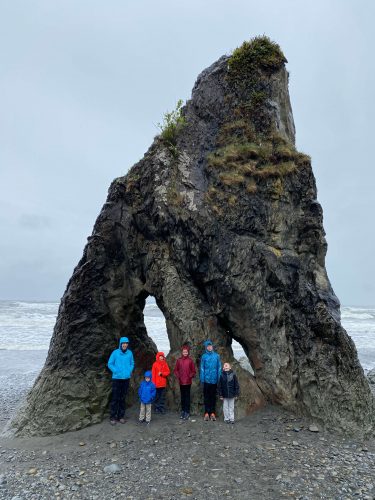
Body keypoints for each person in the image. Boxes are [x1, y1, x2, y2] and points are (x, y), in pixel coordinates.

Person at [107, 336, 134, 425]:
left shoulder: (130, 353)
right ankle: (113, 417)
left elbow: (132, 363)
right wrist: (115, 371)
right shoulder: (115, 353)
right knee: (115, 398)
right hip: (116, 379)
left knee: (123, 398)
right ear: (121, 344)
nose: (125, 345)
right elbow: (110, 363)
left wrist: (129, 370)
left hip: (126, 379)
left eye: (126, 343)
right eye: (123, 343)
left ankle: (121, 417)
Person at [200, 340, 221, 421]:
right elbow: (202, 368)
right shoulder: (204, 356)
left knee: (213, 397)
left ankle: (212, 412)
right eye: (208, 346)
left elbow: (219, 367)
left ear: (212, 346)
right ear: (206, 347)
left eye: (210, 346)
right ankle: (206, 413)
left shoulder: (217, 356)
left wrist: (218, 379)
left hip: (214, 380)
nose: (209, 347)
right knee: (206, 397)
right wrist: (202, 379)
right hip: (206, 380)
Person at [174, 345, 196, 419]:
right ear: (182, 352)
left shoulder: (190, 361)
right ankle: (183, 411)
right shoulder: (179, 360)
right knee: (182, 397)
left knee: (187, 397)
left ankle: (187, 411)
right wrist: (178, 376)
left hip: (188, 382)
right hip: (181, 381)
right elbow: (175, 370)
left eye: (186, 352)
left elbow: (193, 371)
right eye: (184, 352)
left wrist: (190, 376)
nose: (185, 353)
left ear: (188, 352)